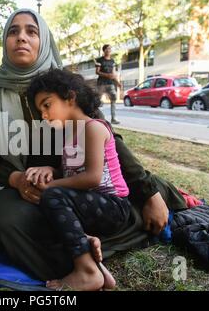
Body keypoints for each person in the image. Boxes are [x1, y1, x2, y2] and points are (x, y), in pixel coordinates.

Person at [0, 9, 187, 287]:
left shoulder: (62, 87)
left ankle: (89, 247)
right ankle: (87, 259)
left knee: (143, 191)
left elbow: (107, 141)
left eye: (32, 31)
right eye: (13, 32)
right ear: (4, 42)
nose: (22, 38)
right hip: (22, 188)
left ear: (44, 42)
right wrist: (16, 178)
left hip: (74, 182)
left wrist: (150, 193)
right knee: (7, 219)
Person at [24, 69, 129, 290]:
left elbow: (91, 177)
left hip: (113, 206)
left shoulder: (93, 128)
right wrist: (50, 170)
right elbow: (72, 174)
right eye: (39, 109)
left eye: (47, 104)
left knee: (52, 196)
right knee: (43, 213)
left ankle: (87, 272)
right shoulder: (69, 135)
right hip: (88, 204)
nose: (43, 114)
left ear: (70, 98)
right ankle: (97, 265)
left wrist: (51, 186)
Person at [95, 44, 121, 125]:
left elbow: (113, 73)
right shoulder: (99, 60)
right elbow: (97, 71)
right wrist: (107, 75)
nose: (109, 50)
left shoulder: (112, 61)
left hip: (110, 84)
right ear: (104, 50)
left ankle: (113, 118)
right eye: (107, 49)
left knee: (113, 99)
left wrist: (117, 82)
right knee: (97, 101)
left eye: (110, 48)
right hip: (101, 84)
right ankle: (94, 117)